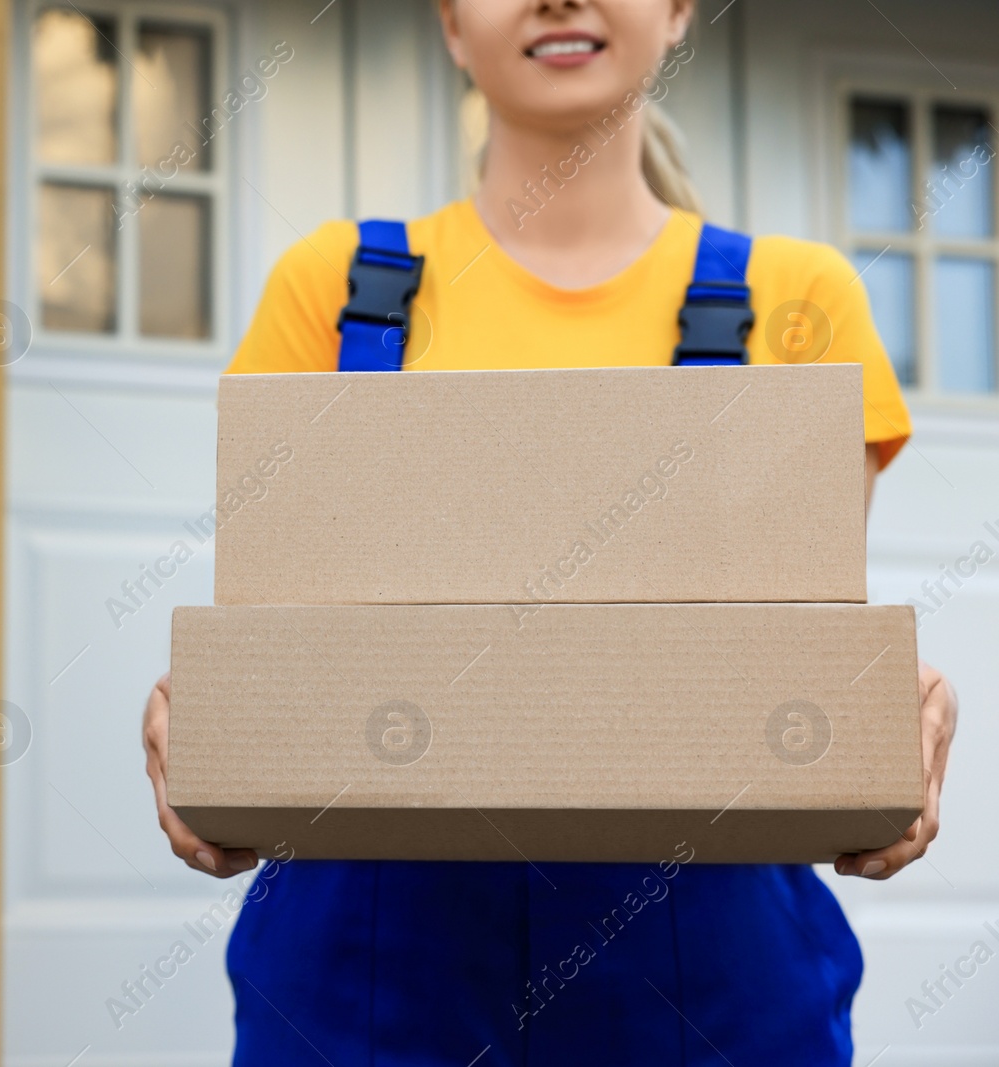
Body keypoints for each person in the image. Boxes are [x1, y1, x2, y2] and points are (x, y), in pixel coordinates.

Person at [140, 0, 961, 1063]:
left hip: (705, 953)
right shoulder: (338, 291)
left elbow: (797, 648)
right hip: (369, 956)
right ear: (448, 24)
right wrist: (207, 718)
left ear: (675, 12)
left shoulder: (793, 301)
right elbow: (277, 645)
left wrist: (886, 710)